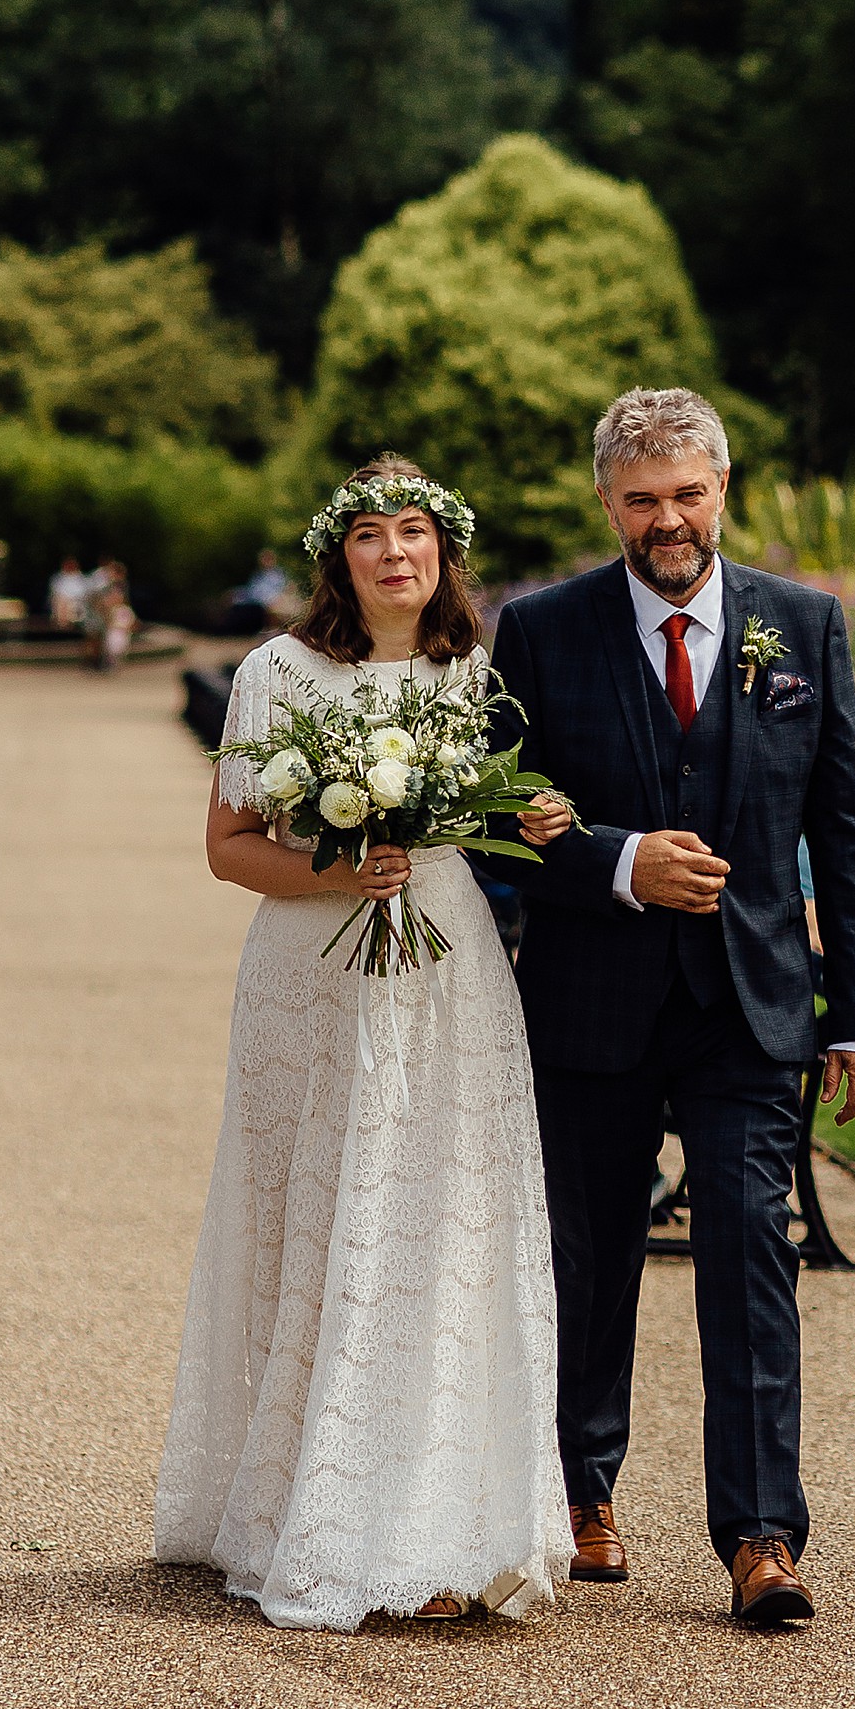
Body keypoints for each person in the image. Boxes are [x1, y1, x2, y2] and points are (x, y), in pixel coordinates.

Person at [492, 389, 855, 1629]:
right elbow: (498, 826)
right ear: (605, 503)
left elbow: (846, 833)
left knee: (747, 1254)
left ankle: (760, 1536)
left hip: (750, 1008)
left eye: (686, 494)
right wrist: (617, 862)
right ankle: (579, 1496)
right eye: (640, 499)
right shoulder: (540, 631)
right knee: (586, 1257)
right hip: (590, 1000)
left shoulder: (804, 626)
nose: (666, 519)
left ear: (721, 488)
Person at [154, 455, 576, 1630]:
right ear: (337, 557)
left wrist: (535, 812)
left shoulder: (478, 673)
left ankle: (445, 1522)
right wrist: (336, 869)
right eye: (371, 535)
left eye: (416, 533)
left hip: (446, 964)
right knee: (320, 1214)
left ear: (443, 552)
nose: (396, 552)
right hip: (312, 975)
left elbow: (504, 817)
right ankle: (303, 1507)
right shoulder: (275, 675)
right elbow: (229, 846)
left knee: (440, 1218)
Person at [48, 557, 88, 631]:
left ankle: (69, 623)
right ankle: (62, 623)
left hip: (77, 605)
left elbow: (84, 595)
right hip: (62, 605)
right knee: (60, 601)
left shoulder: (82, 579)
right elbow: (55, 594)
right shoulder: (57, 578)